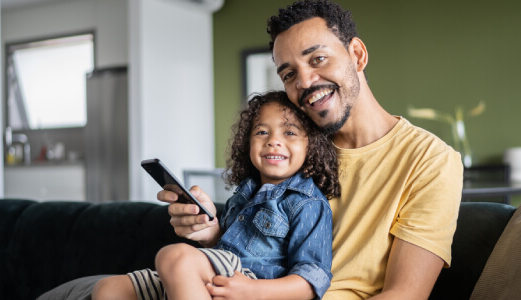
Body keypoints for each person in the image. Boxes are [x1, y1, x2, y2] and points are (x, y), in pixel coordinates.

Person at [166, 1, 464, 299]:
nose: (305, 81)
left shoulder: (430, 160)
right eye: (289, 75)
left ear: (357, 55)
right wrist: (212, 234)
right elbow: (261, 261)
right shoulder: (289, 151)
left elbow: (405, 295)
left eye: (318, 58)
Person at [92, 91, 340, 300]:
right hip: (220, 276)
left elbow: (312, 279)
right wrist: (212, 232)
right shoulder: (245, 193)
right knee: (108, 289)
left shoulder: (308, 203)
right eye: (262, 132)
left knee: (174, 257)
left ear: (312, 145)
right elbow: (224, 248)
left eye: (290, 133)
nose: (273, 141)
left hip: (255, 285)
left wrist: (253, 291)